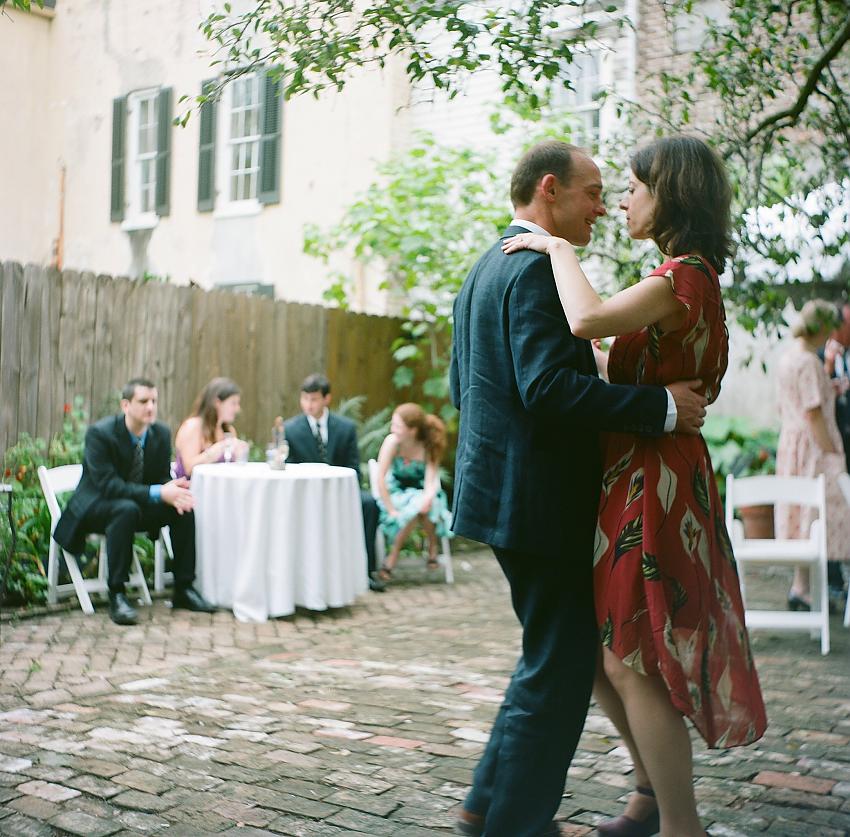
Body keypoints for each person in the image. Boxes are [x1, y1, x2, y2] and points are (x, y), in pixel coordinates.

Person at [501, 135, 767, 837]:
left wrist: (558, 249)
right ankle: (653, 801)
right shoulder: (676, 279)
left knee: (631, 661)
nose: (622, 199)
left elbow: (586, 318)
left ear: (669, 195)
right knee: (605, 653)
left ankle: (682, 826)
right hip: (635, 472)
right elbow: (602, 351)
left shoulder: (682, 276)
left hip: (654, 480)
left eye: (634, 187)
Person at [450, 139, 709, 837]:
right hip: (539, 505)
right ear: (549, 189)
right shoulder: (534, 271)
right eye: (592, 191)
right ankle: (518, 825)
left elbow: (461, 388)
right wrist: (660, 409)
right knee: (559, 671)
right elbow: (545, 387)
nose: (602, 205)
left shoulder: (485, 267)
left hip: (501, 498)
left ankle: (483, 806)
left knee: (547, 653)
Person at [53, 377, 216, 625]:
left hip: (134, 505)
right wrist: (158, 492)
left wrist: (172, 490)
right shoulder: (101, 434)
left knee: (183, 506)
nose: (150, 407)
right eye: (143, 401)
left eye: (154, 401)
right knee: (125, 509)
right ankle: (117, 595)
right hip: (95, 505)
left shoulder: (159, 433)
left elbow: (160, 476)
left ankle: (184, 588)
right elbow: (108, 486)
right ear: (126, 406)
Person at [777, 299, 850, 613]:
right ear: (820, 327)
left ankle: (803, 587)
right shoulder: (808, 361)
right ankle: (809, 588)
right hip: (812, 447)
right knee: (821, 513)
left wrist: (830, 387)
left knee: (801, 514)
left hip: (792, 443)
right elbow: (813, 413)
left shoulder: (789, 356)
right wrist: (832, 451)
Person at [284, 374, 386, 593]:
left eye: (314, 399)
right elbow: (288, 469)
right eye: (305, 399)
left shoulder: (345, 428)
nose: (309, 405)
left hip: (341, 493)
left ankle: (366, 572)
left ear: (326, 399)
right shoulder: (290, 429)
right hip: (306, 496)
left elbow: (353, 469)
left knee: (369, 504)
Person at [374, 403, 453, 581]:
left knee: (422, 506)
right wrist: (391, 509)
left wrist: (427, 498)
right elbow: (380, 479)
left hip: (420, 492)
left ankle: (392, 557)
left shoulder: (429, 444)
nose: (392, 428)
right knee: (415, 510)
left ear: (412, 430)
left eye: (397, 426)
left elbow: (430, 481)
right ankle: (432, 547)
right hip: (396, 493)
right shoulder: (392, 442)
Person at [820, 300, 850, 606]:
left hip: (846, 442)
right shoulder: (817, 356)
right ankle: (831, 581)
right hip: (830, 445)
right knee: (830, 509)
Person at [174, 377, 249, 478]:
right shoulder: (193, 427)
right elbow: (189, 468)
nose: (237, 409)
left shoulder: (229, 431)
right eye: (233, 403)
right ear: (217, 403)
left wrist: (240, 453)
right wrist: (215, 451)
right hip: (191, 489)